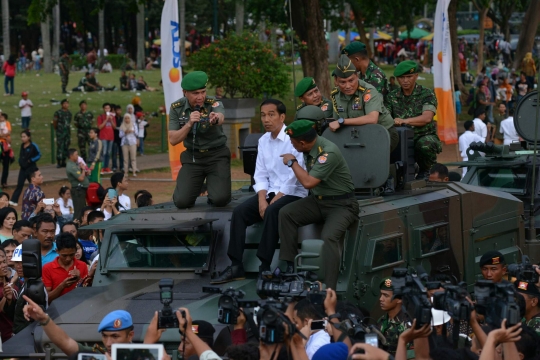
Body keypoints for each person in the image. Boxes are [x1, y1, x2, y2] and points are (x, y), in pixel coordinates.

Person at [211, 99, 307, 284]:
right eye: (263, 115)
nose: (266, 119)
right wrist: (262, 199)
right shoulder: (263, 141)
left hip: (294, 192)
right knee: (239, 212)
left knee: (272, 211)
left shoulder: (292, 139)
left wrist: (276, 199)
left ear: (282, 117)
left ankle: (264, 266)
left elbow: (295, 175)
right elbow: (260, 174)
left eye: (271, 114)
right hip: (271, 191)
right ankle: (236, 265)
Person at [278, 120, 359, 289]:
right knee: (286, 213)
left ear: (302, 143)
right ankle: (290, 266)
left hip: (342, 204)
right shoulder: (309, 147)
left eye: (293, 143)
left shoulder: (328, 153)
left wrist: (292, 162)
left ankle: (330, 287)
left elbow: (308, 182)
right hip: (318, 201)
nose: (292, 147)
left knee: (329, 237)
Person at [168, 71, 230, 209]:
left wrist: (215, 119)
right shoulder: (176, 108)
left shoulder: (212, 102)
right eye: (196, 93)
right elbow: (173, 139)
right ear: (185, 92)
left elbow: (220, 116)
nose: (200, 97)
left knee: (220, 199)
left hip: (216, 155)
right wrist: (189, 124)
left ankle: (215, 189)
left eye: (203, 92)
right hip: (193, 157)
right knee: (181, 202)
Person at [329, 55, 399, 152]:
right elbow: (336, 121)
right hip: (355, 134)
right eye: (342, 82)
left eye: (351, 80)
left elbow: (372, 119)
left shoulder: (368, 91)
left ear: (357, 76)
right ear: (336, 81)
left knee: (367, 155)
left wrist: (343, 121)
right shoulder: (335, 95)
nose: (348, 86)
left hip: (383, 132)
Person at [385, 60, 442, 180]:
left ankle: (426, 170)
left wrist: (405, 121)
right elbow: (386, 118)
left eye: (409, 77)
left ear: (416, 76)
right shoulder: (391, 96)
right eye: (401, 77)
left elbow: (427, 118)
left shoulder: (426, 94)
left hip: (422, 137)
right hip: (400, 139)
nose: (405, 81)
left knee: (425, 144)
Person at [23, 297, 135, 355]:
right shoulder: (98, 355)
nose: (108, 343)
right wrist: (44, 319)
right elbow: (65, 342)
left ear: (130, 336)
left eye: (115, 336)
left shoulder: (144, 356)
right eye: (105, 336)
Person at [42, 232, 88, 303]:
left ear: (75, 250)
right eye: (64, 255)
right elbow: (46, 299)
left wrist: (79, 279)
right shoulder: (47, 268)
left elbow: (88, 292)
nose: (68, 259)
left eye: (71, 255)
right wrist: (62, 286)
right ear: (57, 251)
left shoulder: (82, 265)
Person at [377, 277, 412, 357]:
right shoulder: (382, 320)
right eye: (381, 294)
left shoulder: (407, 326)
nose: (381, 299)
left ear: (399, 300)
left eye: (386, 296)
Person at [9, 130, 41, 206]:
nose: (22, 138)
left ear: (29, 137)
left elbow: (39, 154)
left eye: (24, 136)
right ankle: (14, 200)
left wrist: (31, 160)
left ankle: (39, 199)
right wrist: (20, 161)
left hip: (31, 168)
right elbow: (21, 155)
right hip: (23, 169)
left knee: (34, 184)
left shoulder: (33, 146)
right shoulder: (22, 146)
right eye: (21, 137)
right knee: (19, 184)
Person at [66, 149, 89, 221]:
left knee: (83, 209)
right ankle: (76, 227)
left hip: (81, 190)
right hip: (78, 191)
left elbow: (85, 174)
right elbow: (81, 178)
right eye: (76, 155)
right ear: (71, 156)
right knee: (79, 212)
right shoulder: (71, 166)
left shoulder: (75, 164)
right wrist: (83, 170)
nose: (77, 156)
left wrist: (85, 170)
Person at [97, 103, 117, 174]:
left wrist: (111, 120)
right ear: (103, 109)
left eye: (108, 108)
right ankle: (101, 167)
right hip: (103, 137)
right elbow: (99, 127)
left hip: (111, 137)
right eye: (106, 108)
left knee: (108, 153)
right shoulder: (101, 117)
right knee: (104, 152)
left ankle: (106, 167)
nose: (107, 109)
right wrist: (106, 119)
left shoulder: (113, 117)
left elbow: (114, 127)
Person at [53, 99, 72, 168]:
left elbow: (69, 121)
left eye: (67, 103)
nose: (66, 105)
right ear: (62, 104)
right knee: (60, 147)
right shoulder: (58, 113)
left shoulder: (69, 113)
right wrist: (57, 129)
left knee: (66, 147)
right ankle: (59, 161)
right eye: (64, 103)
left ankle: (64, 161)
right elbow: (55, 122)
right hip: (60, 132)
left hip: (67, 132)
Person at [119, 113, 139, 178]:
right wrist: (125, 132)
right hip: (124, 143)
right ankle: (126, 172)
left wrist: (132, 131)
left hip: (132, 143)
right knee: (125, 159)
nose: (127, 120)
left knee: (133, 158)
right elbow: (120, 135)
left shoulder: (133, 124)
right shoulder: (122, 126)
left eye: (128, 118)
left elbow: (137, 133)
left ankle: (134, 171)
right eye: (125, 118)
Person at [0, 113, 12, 188]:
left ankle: (4, 181)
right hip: (2, 144)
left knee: (6, 164)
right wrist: (6, 137)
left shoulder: (7, 123)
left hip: (6, 146)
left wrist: (3, 137)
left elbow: (9, 132)